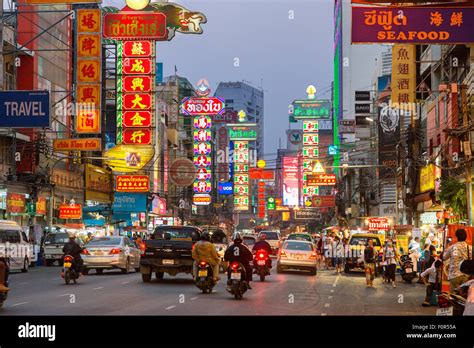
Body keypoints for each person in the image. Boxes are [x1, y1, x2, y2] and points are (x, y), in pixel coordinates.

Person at [443, 228, 473, 294]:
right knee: (463, 295)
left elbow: (444, 258)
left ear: (456, 237)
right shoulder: (470, 248)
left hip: (454, 274)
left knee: (453, 296)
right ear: (466, 237)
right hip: (465, 275)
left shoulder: (452, 247)